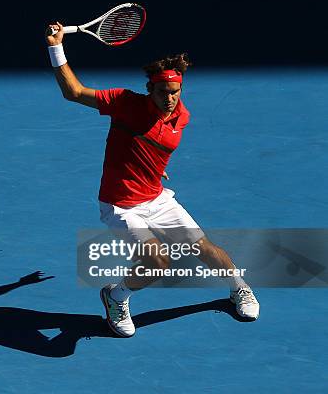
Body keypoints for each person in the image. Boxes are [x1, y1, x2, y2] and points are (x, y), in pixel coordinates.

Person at [45, 22, 260, 337]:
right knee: (157, 261)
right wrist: (55, 46)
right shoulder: (125, 103)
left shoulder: (181, 116)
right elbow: (73, 92)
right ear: (150, 89)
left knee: (205, 248)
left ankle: (238, 288)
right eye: (163, 92)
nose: (170, 99)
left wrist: (155, 167)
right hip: (121, 206)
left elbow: (155, 145)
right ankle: (115, 296)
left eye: (175, 92)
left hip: (157, 198)